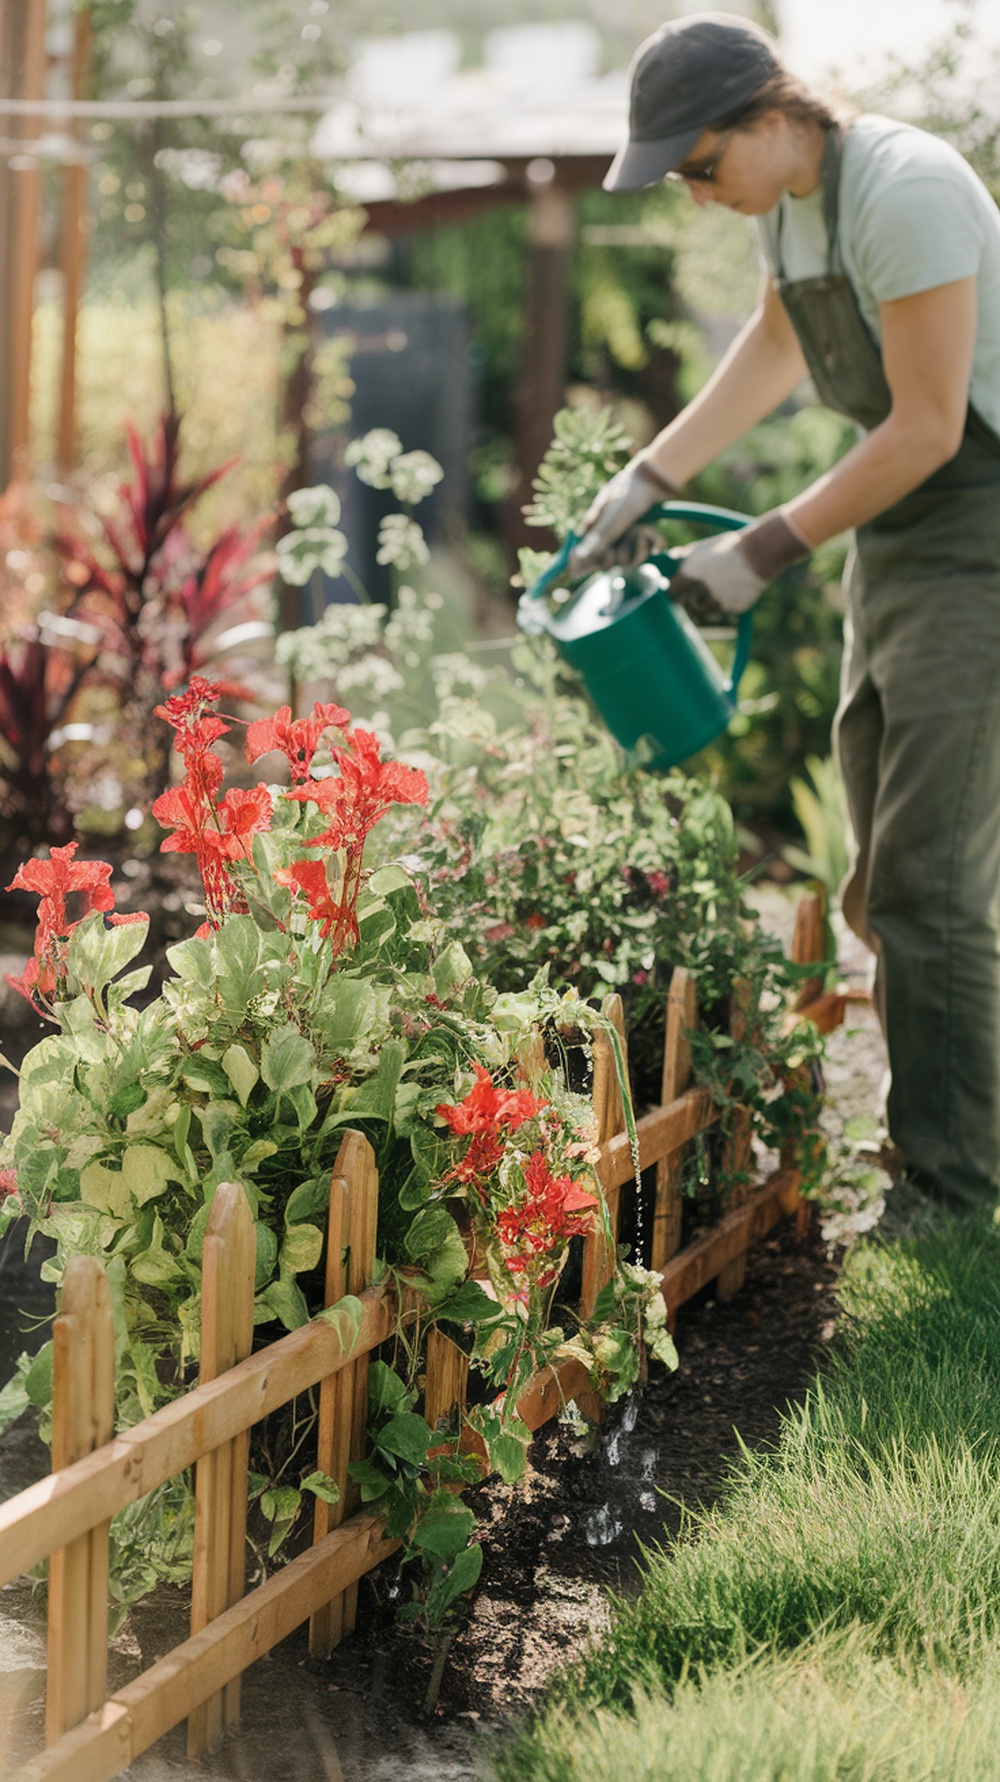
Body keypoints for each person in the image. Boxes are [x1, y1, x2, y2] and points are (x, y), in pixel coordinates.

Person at [572, 12, 1000, 1212]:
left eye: (701, 164)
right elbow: (771, 347)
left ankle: (951, 1185)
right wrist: (646, 479)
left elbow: (924, 426)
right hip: (908, 533)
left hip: (979, 524)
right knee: (879, 861)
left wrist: (759, 550)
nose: (698, 194)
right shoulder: (796, 204)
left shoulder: (902, 190)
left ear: (772, 115)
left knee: (928, 876)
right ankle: (940, 1132)